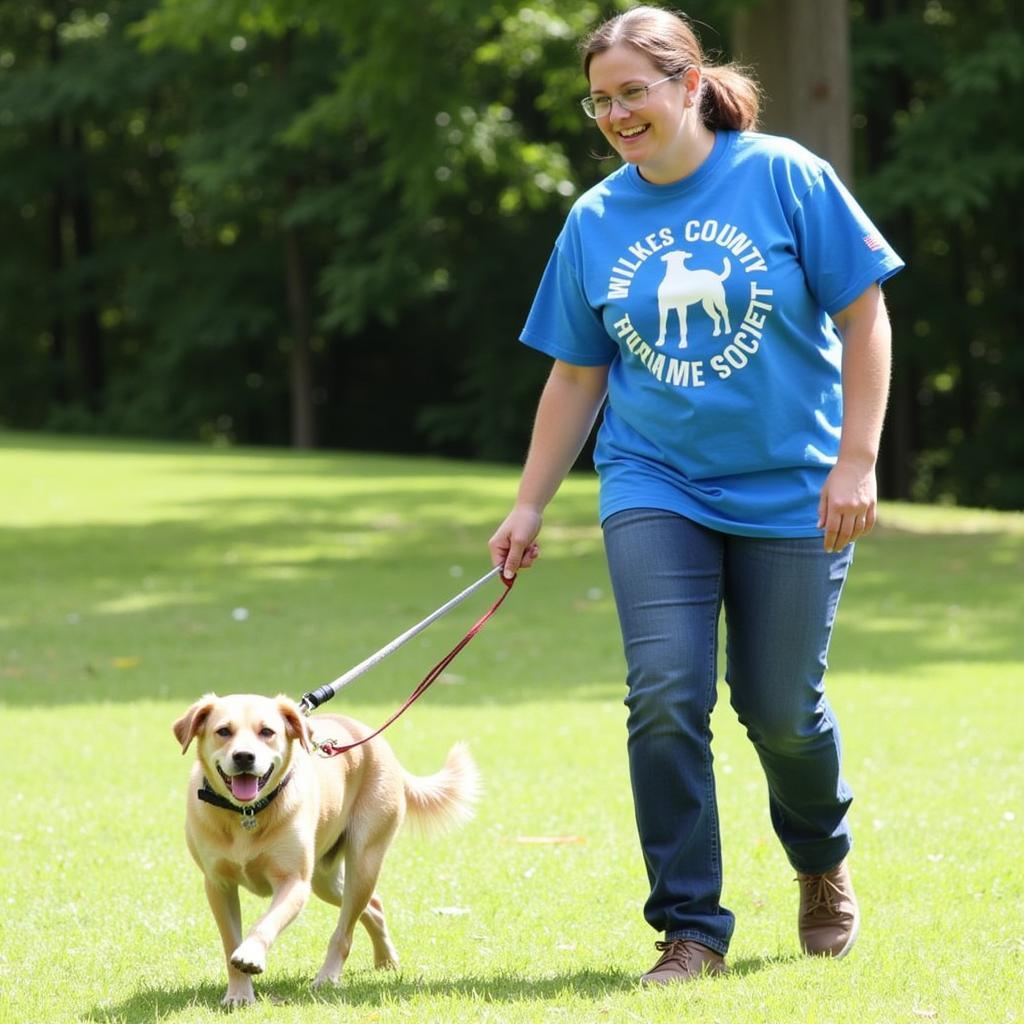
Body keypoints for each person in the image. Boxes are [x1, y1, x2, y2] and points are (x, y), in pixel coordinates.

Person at [488, 5, 904, 986]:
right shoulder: (595, 219)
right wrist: (529, 504)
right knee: (667, 693)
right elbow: (576, 376)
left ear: (686, 83)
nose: (617, 113)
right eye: (599, 101)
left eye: (633, 91)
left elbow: (865, 315)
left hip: (795, 484)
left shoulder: (784, 176)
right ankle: (690, 930)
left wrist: (857, 458)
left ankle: (819, 858)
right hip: (653, 478)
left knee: (779, 709)